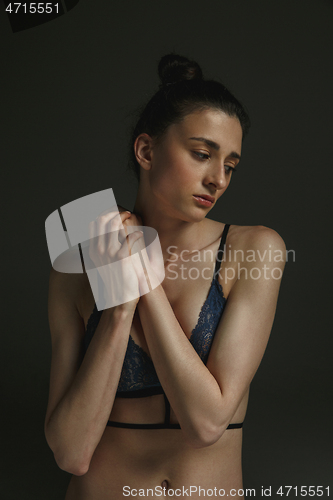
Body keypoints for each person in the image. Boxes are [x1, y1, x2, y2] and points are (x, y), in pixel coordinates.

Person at [45, 54, 286, 499]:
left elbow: (206, 423)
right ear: (146, 150)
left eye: (230, 166)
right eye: (201, 154)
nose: (218, 179)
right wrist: (119, 311)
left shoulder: (253, 249)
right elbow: (71, 453)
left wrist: (145, 283)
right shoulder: (73, 268)